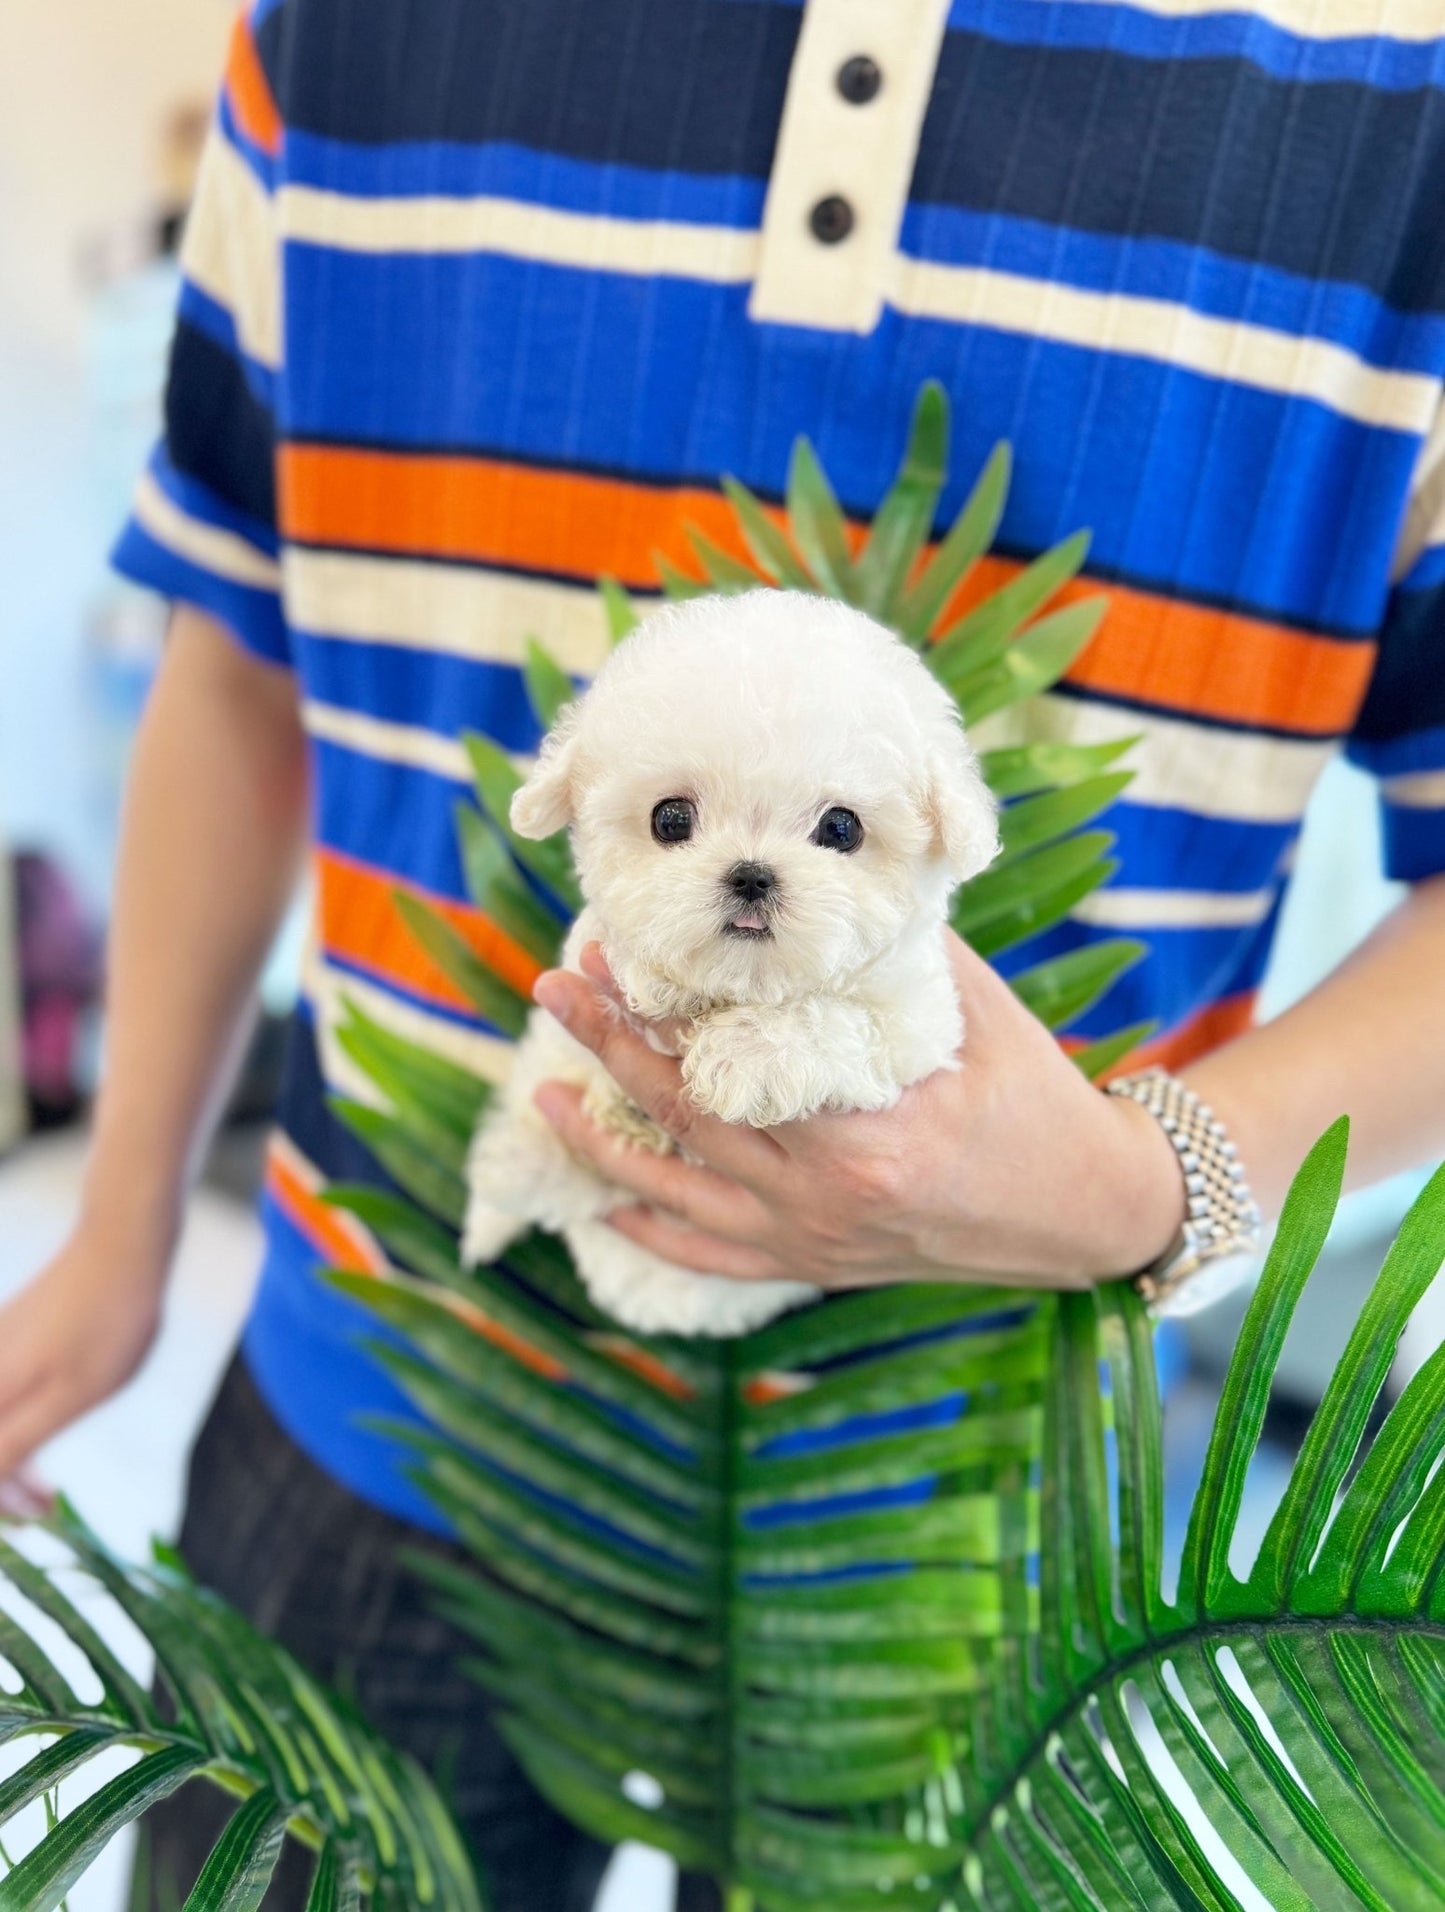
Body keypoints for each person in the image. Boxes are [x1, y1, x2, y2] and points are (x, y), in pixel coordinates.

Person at [4, 0, 1445, 1905]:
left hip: (971, 1539)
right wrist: (116, 1237)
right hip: (370, 1395)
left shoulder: (1396, 93)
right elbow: (239, 629)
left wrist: (1140, 1182)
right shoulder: (345, 29)